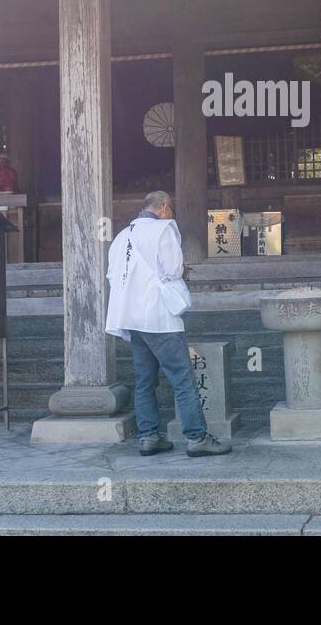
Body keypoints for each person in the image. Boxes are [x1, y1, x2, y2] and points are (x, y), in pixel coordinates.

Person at [105, 190, 231, 457]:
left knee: (144, 382)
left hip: (132, 318)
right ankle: (196, 438)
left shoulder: (121, 237)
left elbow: (113, 276)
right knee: (182, 380)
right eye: (170, 209)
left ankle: (148, 437)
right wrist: (184, 271)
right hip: (160, 318)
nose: (171, 213)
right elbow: (173, 269)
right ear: (163, 207)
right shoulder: (163, 230)